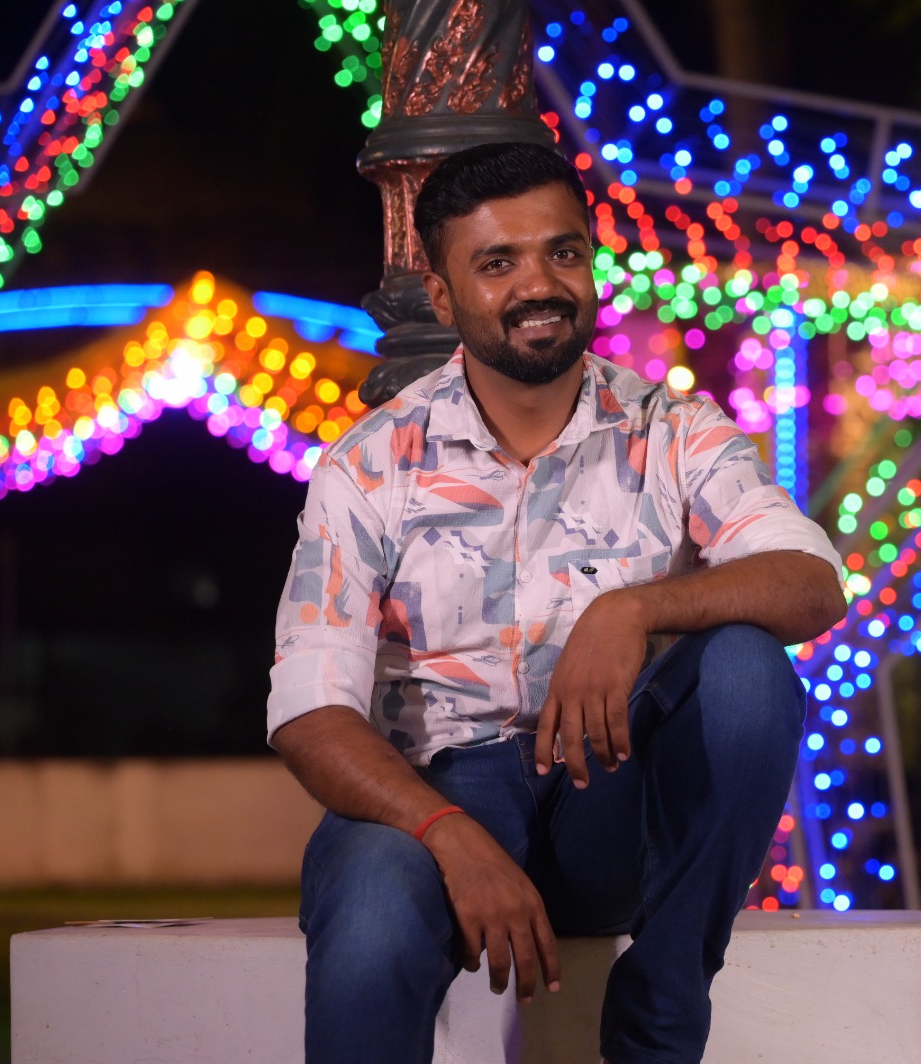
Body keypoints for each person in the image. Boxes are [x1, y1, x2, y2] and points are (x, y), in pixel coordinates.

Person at [267, 141, 845, 1064]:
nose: (539, 284)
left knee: (747, 666)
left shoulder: (673, 430)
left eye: (562, 252)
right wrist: (449, 835)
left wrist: (632, 611)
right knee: (372, 909)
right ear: (442, 297)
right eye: (498, 263)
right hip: (437, 797)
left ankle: (661, 1014)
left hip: (606, 799)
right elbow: (310, 713)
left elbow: (811, 582)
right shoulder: (369, 465)